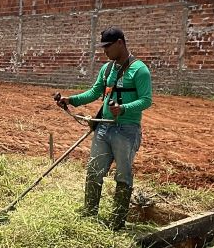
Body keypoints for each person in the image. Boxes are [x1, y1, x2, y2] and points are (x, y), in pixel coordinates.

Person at [56, 27, 152, 230]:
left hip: (126, 130)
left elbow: (146, 100)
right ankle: (89, 214)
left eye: (107, 47)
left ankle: (117, 223)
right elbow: (94, 92)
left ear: (120, 43)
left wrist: (123, 108)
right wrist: (71, 100)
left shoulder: (140, 69)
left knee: (123, 176)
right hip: (103, 129)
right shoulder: (107, 69)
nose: (105, 51)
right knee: (94, 171)